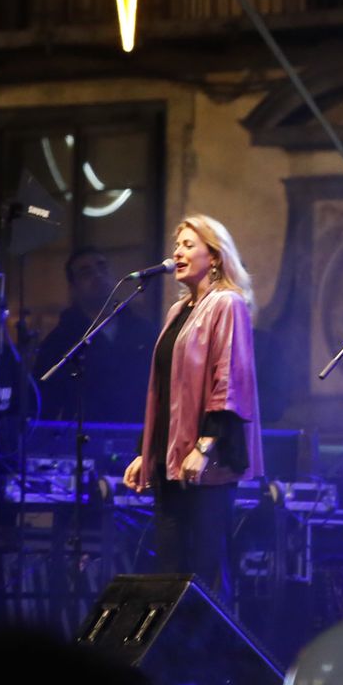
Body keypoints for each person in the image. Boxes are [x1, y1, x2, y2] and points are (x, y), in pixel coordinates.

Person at [123, 215, 264, 596]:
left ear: (214, 256)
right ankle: (172, 650)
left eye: (188, 245)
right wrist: (145, 452)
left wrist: (205, 446)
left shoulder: (228, 304)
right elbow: (163, 391)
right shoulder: (177, 312)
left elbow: (228, 382)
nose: (177, 252)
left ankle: (208, 649)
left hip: (207, 460)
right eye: (177, 245)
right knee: (168, 564)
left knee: (203, 567)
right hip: (170, 459)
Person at [32, 247, 157, 422]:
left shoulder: (143, 331)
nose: (98, 275)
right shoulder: (60, 341)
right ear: (73, 287)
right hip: (83, 440)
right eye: (86, 272)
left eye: (102, 267)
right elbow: (46, 405)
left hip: (137, 436)